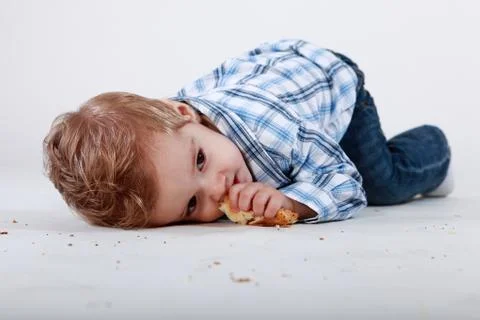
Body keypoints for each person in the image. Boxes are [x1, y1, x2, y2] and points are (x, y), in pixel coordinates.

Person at [43, 39, 453, 229]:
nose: (217, 188)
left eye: (200, 161)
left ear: (186, 114)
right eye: (190, 204)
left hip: (331, 85)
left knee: (382, 182)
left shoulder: (275, 132)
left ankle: (435, 152)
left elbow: (345, 184)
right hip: (268, 77)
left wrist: (292, 201)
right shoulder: (170, 135)